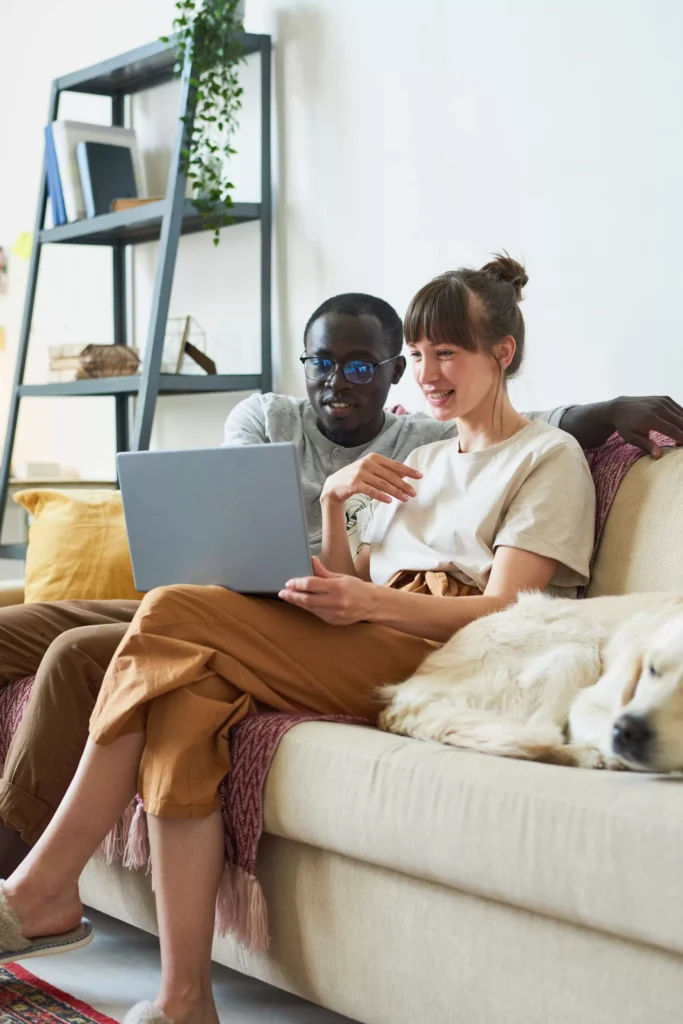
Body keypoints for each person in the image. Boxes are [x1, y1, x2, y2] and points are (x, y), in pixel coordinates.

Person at [0, 257, 646, 1024]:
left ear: (500, 353)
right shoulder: (428, 457)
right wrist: (336, 506)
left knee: (172, 610)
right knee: (186, 700)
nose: (428, 374)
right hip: (369, 625)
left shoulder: (546, 457)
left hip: (446, 653)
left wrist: (364, 600)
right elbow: (357, 574)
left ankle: (40, 886)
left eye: (448, 353)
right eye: (420, 354)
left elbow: (509, 608)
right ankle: (185, 999)